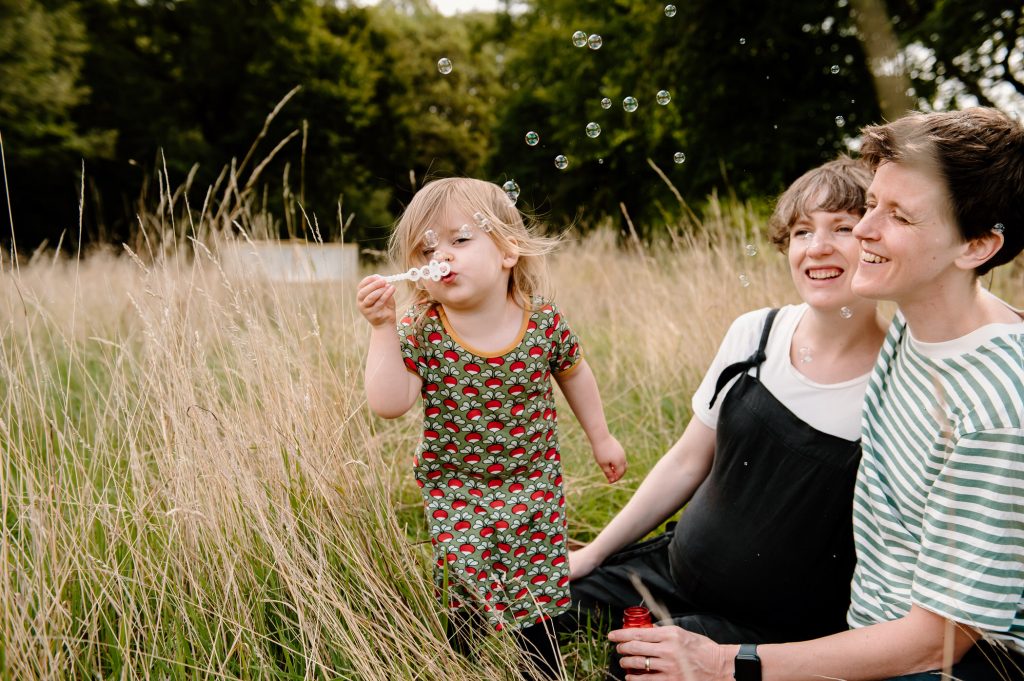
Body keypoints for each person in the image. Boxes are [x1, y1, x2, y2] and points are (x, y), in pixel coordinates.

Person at [608, 107, 1024, 680]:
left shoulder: (995, 412)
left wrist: (727, 663)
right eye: (872, 204)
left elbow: (938, 642)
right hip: (862, 632)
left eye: (898, 216)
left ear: (976, 246)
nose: (866, 231)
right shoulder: (916, 319)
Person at [565, 156, 888, 678]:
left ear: (877, 242)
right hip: (670, 570)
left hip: (770, 630)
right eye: (803, 231)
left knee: (634, 668)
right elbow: (687, 461)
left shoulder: (894, 384)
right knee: (531, 608)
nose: (818, 247)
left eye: (843, 229)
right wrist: (595, 553)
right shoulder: (753, 334)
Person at [356, 177, 627, 679]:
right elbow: (390, 404)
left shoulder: (542, 321)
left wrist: (601, 437)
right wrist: (382, 330)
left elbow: (574, 372)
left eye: (460, 240)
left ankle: (542, 669)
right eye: (427, 247)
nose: (443, 255)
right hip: (458, 488)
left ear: (508, 251)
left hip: (534, 484)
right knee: (468, 588)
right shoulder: (423, 329)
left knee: (536, 589)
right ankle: (463, 662)